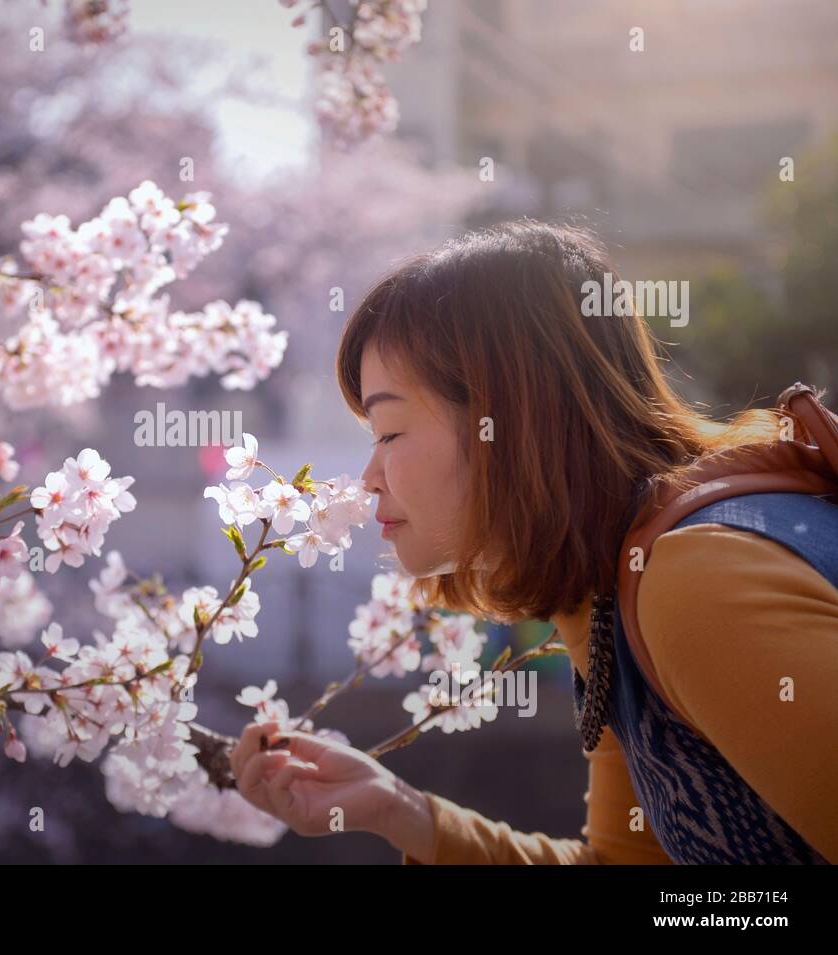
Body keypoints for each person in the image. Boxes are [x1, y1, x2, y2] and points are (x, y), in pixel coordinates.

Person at [229, 220, 838, 864]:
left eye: (388, 432)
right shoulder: (609, 591)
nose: (369, 477)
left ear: (506, 422)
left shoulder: (693, 585)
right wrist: (399, 812)